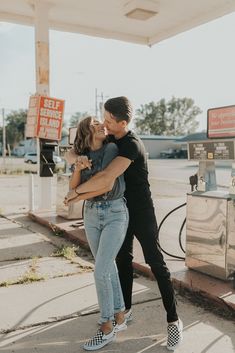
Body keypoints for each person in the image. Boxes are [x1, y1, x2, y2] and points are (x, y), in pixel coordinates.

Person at [68, 97, 183, 351]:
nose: (105, 123)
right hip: (117, 211)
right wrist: (76, 159)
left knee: (155, 261)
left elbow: (108, 177)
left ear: (123, 122)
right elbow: (76, 149)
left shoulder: (130, 145)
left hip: (140, 211)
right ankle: (124, 313)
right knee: (121, 262)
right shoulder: (109, 139)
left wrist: (74, 194)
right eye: (103, 117)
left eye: (109, 119)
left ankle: (173, 321)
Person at [65, 116, 129, 351]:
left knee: (100, 270)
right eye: (95, 123)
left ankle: (106, 326)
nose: (101, 124)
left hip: (114, 212)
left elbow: (105, 184)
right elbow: (73, 184)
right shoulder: (81, 155)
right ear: (85, 130)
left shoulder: (111, 148)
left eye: (101, 122)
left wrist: (75, 196)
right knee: (107, 266)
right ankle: (120, 316)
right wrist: (77, 167)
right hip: (91, 214)